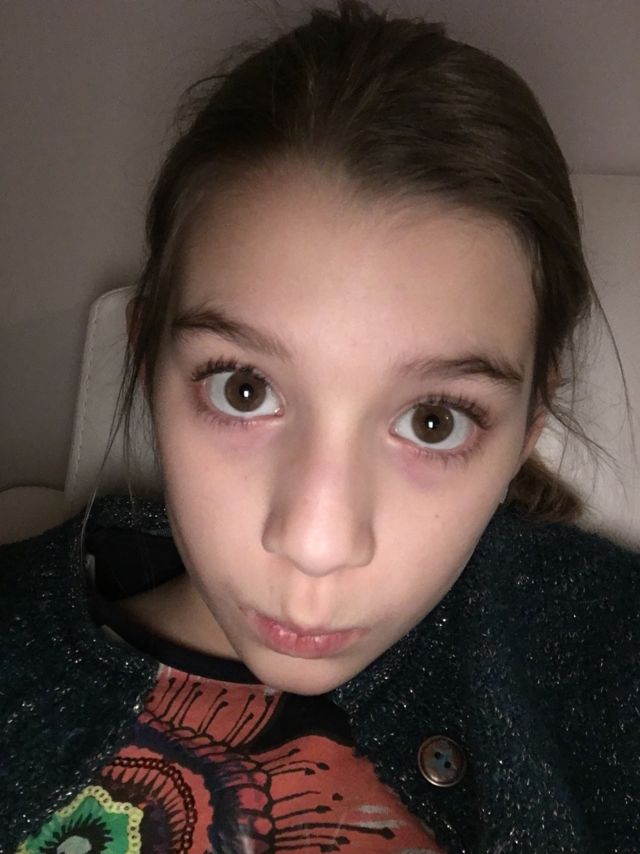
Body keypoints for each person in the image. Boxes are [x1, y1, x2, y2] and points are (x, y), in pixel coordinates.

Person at [2, 2, 638, 851]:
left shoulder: (607, 650)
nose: (316, 544)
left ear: (527, 429)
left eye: (434, 420)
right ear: (148, 360)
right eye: (245, 390)